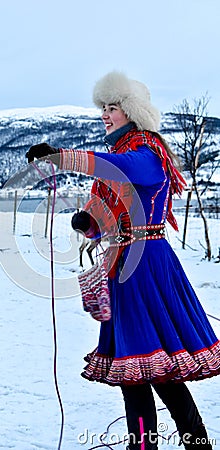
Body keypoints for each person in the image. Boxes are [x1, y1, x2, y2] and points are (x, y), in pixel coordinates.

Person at [26, 71, 220, 450]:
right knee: (149, 365)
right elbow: (105, 215)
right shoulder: (121, 155)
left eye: (113, 107)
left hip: (146, 263)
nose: (105, 114)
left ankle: (161, 446)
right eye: (103, 108)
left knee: (144, 364)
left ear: (132, 112)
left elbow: (122, 171)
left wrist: (59, 156)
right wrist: (90, 224)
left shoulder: (147, 152)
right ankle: (188, 444)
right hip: (124, 262)